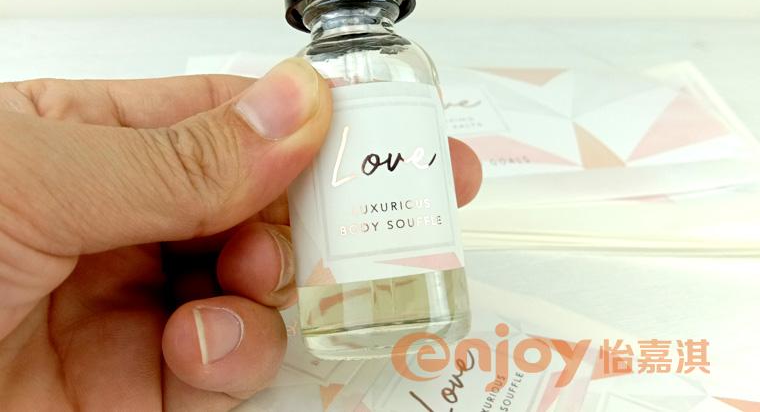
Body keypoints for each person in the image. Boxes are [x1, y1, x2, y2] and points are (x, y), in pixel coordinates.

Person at [0, 58, 482, 411]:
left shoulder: (406, 64)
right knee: (264, 266)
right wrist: (199, 160)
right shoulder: (332, 73)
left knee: (262, 266)